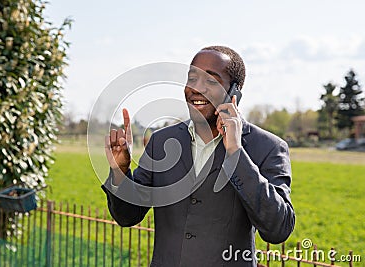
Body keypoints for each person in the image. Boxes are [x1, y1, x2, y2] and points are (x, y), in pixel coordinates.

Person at [102, 45, 295, 266]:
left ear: (234, 93)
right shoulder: (161, 141)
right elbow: (128, 216)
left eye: (211, 81)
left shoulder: (268, 147)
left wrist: (236, 152)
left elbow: (278, 229)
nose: (196, 88)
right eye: (192, 78)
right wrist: (120, 172)